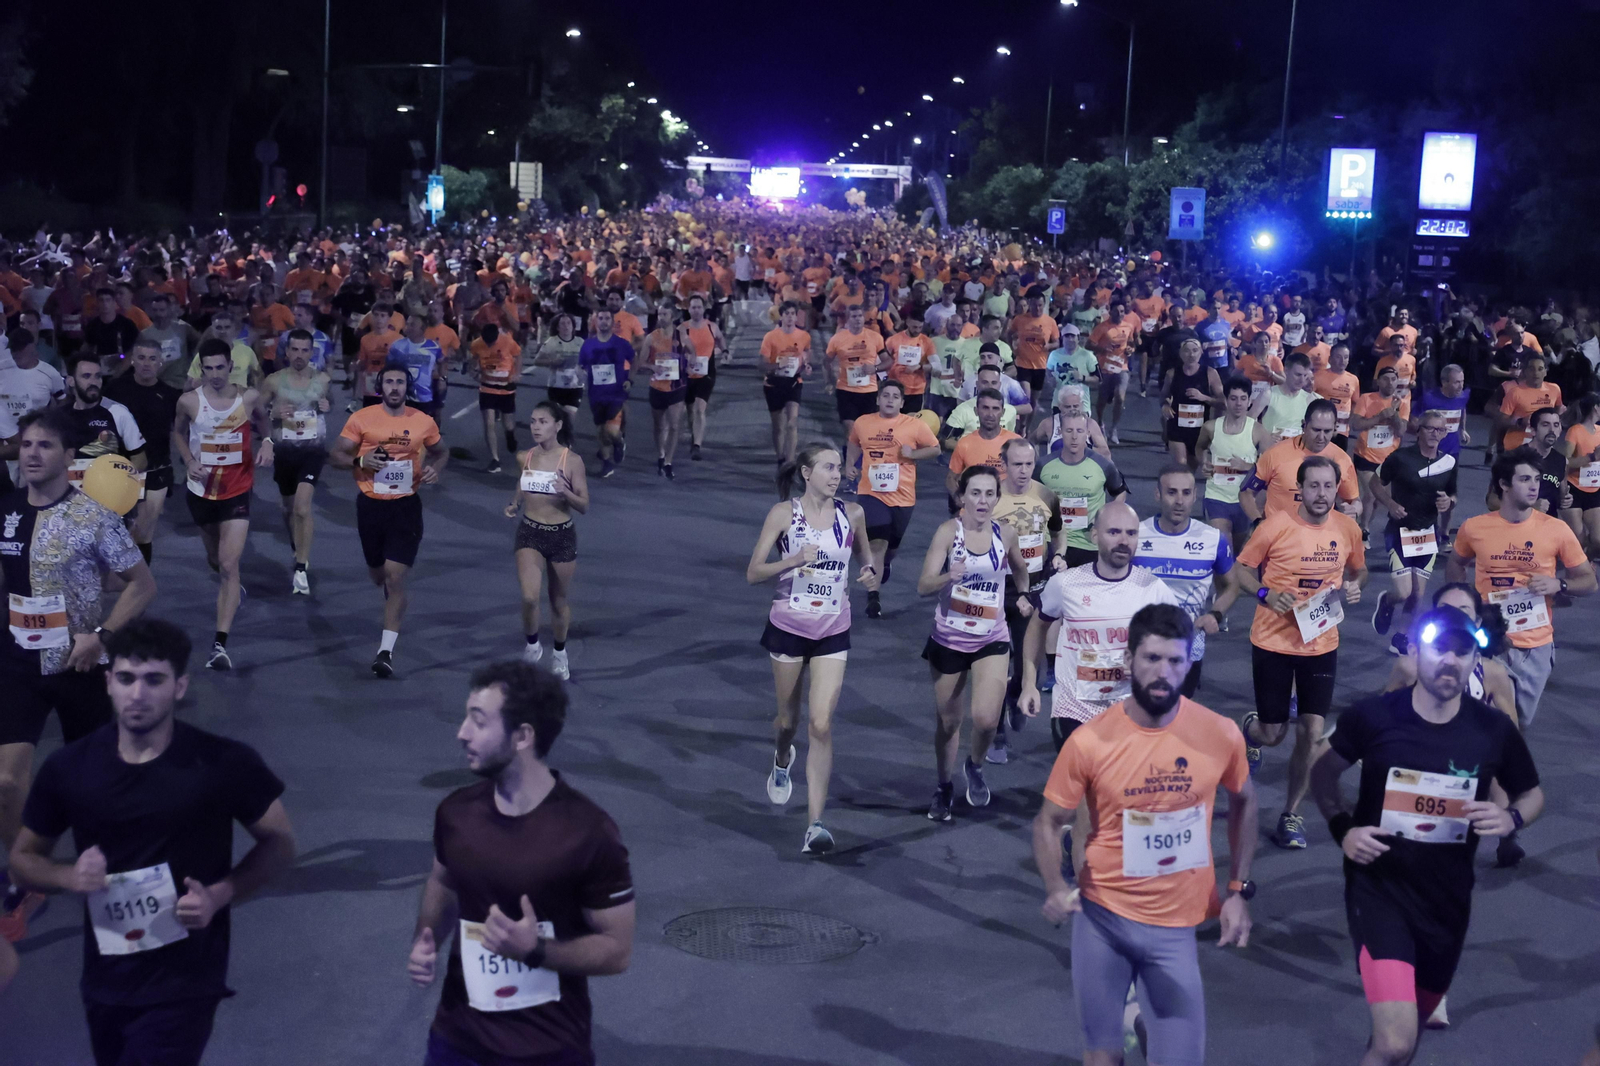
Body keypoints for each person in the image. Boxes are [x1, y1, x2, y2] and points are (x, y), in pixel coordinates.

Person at [8, 618, 295, 1065]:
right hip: (106, 978)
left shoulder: (222, 763)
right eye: (126, 679)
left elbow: (279, 843)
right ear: (108, 682)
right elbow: (23, 859)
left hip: (185, 980)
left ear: (179, 687)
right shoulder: (70, 769)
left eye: (154, 680)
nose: (137, 694)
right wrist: (68, 876)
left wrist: (220, 895)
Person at [1310, 605, 1542, 1066]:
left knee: (1402, 1041)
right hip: (1378, 889)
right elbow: (1322, 773)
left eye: (1462, 652)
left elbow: (1532, 793)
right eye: (1440, 649)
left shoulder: (1492, 729)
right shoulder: (1374, 716)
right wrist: (1343, 828)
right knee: (1396, 1039)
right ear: (1416, 652)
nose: (1450, 660)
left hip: (1447, 902)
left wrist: (1511, 819)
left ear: (1475, 660)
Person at [1032, 603, 1255, 1066]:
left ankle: (1138, 1017)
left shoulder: (1220, 734)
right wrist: (1054, 886)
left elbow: (1245, 801)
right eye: (1152, 658)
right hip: (1103, 921)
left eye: (1175, 660)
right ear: (1129, 659)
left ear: (1189, 664)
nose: (1163, 672)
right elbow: (1048, 822)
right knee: (1103, 1058)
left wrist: (1237, 889)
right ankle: (1132, 1018)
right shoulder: (1090, 741)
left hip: (1175, 930)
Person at [407, 661, 634, 1066]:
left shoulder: (589, 832)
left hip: (548, 1050)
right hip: (456, 1042)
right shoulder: (456, 813)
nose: (462, 732)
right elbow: (442, 882)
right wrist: (426, 938)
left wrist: (535, 950)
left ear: (523, 736)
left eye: (479, 722)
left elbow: (616, 950)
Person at [0, 408, 157, 944]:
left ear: (69, 457)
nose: (32, 453)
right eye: (26, 444)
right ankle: (28, 878)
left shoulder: (94, 517)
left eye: (45, 445)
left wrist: (102, 636)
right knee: (4, 783)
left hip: (80, 665)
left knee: (99, 787)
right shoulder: (6, 511)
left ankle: (122, 892)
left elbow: (141, 584)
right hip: (18, 663)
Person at [746, 443, 877, 853]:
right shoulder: (783, 514)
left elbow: (866, 557)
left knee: (821, 724)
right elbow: (753, 572)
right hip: (788, 626)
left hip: (833, 628)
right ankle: (782, 757)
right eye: (828, 468)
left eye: (839, 468)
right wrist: (792, 560)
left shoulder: (852, 514)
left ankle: (815, 825)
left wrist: (869, 571)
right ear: (806, 473)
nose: (837, 475)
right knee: (788, 721)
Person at [1235, 454, 1368, 850]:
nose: (1322, 494)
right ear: (1301, 489)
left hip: (1321, 643)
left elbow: (1359, 570)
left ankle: (1291, 814)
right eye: (1314, 486)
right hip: (1273, 641)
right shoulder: (1275, 526)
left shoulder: (1347, 528)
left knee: (1310, 732)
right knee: (1274, 734)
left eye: (1329, 486)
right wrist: (1265, 593)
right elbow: (1241, 569)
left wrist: (1355, 586)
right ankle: (1252, 729)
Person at [1446, 450, 1596, 728]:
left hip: (1534, 646)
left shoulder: (1556, 529)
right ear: (1504, 484)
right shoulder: (1475, 527)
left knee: (1518, 726)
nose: (1534, 486)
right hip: (1487, 640)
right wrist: (1463, 602)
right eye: (1525, 479)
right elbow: (1456, 562)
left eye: (1537, 479)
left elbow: (1589, 581)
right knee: (1482, 721)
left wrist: (1559, 584)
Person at [918, 465, 1030, 821]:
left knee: (985, 719)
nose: (982, 501)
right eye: (976, 493)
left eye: (989, 494)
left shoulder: (1006, 534)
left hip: (991, 637)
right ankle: (943, 786)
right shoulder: (947, 533)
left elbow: (1021, 570)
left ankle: (975, 766)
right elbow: (923, 585)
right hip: (949, 638)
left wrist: (1024, 595)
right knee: (949, 723)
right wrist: (947, 577)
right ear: (962, 497)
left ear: (997, 499)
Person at [330, 363, 450, 678]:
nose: (394, 387)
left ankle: (385, 652)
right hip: (370, 506)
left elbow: (441, 451)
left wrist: (435, 468)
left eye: (400, 382)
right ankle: (389, 593)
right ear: (379, 387)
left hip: (405, 507)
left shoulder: (422, 421)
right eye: (389, 382)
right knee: (378, 575)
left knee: (395, 578)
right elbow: (336, 455)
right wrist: (360, 460)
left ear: (407, 388)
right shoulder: (361, 419)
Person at [171, 340, 272, 670]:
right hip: (201, 492)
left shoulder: (248, 398)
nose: (215, 374)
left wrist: (267, 442)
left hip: (237, 490)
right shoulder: (189, 401)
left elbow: (263, 420)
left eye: (220, 367)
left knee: (229, 564)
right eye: (208, 368)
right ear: (201, 369)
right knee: (216, 560)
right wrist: (189, 461)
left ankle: (219, 645)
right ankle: (232, 587)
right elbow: (178, 433)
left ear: (231, 366)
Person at [1135, 465, 1241, 698]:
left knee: (1178, 712)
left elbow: (1232, 585)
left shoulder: (1213, 539)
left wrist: (1215, 614)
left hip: (1188, 647)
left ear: (1195, 496)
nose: (1179, 501)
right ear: (1157, 494)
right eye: (1171, 492)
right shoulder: (1136, 535)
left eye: (1186, 493)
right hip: (1142, 646)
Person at [988, 438, 1063, 764]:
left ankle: (1016, 693)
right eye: (1016, 464)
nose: (1023, 471)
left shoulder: (1046, 495)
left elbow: (1058, 531)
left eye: (1028, 464)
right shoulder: (989, 497)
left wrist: (1059, 554)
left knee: (1027, 664)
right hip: (994, 590)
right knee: (994, 665)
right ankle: (995, 734)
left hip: (1032, 591)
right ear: (1004, 464)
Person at [845, 380, 940, 620]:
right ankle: (873, 596)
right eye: (885, 395)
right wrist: (849, 464)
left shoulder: (914, 425)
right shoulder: (863, 422)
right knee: (877, 544)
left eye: (895, 396)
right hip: (871, 493)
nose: (889, 400)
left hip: (903, 496)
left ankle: (886, 563)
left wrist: (913, 454)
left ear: (902, 402)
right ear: (878, 399)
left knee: (891, 548)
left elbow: (935, 449)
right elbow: (854, 442)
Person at [505, 402, 587, 678]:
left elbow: (584, 505)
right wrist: (515, 502)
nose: (536, 427)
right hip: (530, 532)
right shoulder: (525, 456)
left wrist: (566, 493)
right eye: (532, 421)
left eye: (543, 421)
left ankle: (560, 654)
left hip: (562, 536)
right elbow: (523, 481)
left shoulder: (571, 461)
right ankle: (532, 647)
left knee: (558, 601)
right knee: (529, 598)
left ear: (557, 425)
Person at [1368, 410, 1458, 654]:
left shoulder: (1449, 463)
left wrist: (1448, 502)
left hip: (1427, 534)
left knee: (1417, 594)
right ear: (1419, 430)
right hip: (1399, 531)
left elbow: (1453, 494)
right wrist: (1390, 504)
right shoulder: (1400, 458)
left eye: (1440, 430)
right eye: (1430, 428)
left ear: (1445, 433)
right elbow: (1375, 482)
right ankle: (1387, 601)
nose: (1435, 433)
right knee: (1403, 592)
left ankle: (1401, 637)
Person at [256, 330, 332, 595]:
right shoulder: (274, 381)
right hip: (285, 452)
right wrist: (272, 412)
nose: (299, 355)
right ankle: (296, 545)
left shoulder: (322, 379)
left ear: (312, 352)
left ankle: (301, 567)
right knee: (289, 508)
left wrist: (326, 406)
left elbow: (327, 403)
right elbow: (256, 413)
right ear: (287, 352)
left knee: (302, 507)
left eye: (304, 350)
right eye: (295, 350)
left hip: (312, 451)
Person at [104, 338, 182, 564]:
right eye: (141, 358)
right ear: (133, 361)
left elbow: (183, 431)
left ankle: (140, 580)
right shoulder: (115, 390)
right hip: (119, 470)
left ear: (160, 362)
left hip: (156, 470)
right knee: (118, 531)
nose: (146, 363)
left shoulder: (170, 395)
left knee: (143, 533)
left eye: (152, 359)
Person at [1037, 411, 1128, 567]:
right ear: (1060, 432)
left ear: (1087, 433)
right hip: (1051, 543)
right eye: (1069, 430)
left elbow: (1120, 493)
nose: (1074, 437)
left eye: (1079, 431)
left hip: (1088, 545)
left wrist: (1105, 520)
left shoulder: (1103, 465)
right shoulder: (1043, 465)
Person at [1246, 399, 1361, 520]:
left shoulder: (1342, 460)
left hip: (1319, 531)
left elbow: (1355, 501)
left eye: (1327, 431)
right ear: (1304, 425)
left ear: (1335, 428)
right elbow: (1246, 492)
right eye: (1316, 430)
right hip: (1279, 530)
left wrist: (1354, 510)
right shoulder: (1275, 454)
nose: (1321, 437)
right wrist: (1257, 522)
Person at [1197, 377, 1268, 557]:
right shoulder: (1210, 428)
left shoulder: (1257, 430)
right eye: (1234, 398)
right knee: (1224, 552)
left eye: (1243, 399)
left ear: (1249, 401)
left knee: (1238, 556)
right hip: (1216, 497)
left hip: (1245, 501)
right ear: (1226, 401)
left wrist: (1248, 466)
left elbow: (1272, 466)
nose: (1238, 404)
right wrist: (1204, 462)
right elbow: (1200, 448)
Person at [1351, 366, 1412, 542]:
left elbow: (1401, 431)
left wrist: (1394, 414)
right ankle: (1364, 531)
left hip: (1388, 460)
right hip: (1365, 456)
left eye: (1393, 379)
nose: (1390, 383)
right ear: (1378, 381)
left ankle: (1362, 526)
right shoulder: (1366, 398)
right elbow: (1356, 425)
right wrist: (1380, 416)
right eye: (1385, 379)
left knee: (1378, 500)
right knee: (1371, 494)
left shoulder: (1403, 402)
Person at [577, 310, 633, 479]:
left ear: (613, 322)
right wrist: (580, 375)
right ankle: (607, 464)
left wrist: (630, 379)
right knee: (601, 430)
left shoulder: (621, 343)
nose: (603, 321)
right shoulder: (588, 345)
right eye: (600, 318)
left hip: (615, 393)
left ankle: (619, 442)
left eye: (607, 318)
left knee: (610, 430)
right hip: (595, 394)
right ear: (595, 322)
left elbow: (634, 359)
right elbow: (581, 365)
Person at [759, 301, 813, 464]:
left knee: (792, 423)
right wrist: (778, 365)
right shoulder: (770, 337)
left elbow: (807, 352)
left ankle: (790, 461)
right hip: (773, 384)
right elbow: (762, 365)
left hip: (794, 383)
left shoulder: (804, 336)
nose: (790, 317)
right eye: (786, 314)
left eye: (793, 314)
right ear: (781, 316)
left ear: (796, 317)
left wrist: (806, 365)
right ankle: (780, 458)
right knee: (778, 427)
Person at [825, 303, 888, 441]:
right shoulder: (837, 339)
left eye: (860, 316)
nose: (858, 319)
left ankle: (862, 454)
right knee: (850, 427)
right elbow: (826, 361)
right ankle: (850, 454)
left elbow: (888, 361)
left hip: (869, 391)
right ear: (848, 319)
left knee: (866, 430)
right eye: (854, 316)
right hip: (846, 390)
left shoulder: (875, 337)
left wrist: (875, 369)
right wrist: (830, 380)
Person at [1158, 338, 1223, 470]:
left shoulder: (1210, 373)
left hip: (1199, 430)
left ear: (1201, 353)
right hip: (1177, 427)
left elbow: (1223, 402)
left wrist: (1203, 397)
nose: (1191, 355)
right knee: (1181, 465)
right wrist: (1165, 405)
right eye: (1187, 351)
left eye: (1195, 350)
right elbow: (1163, 395)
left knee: (1192, 468)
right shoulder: (1172, 373)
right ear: (1181, 353)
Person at [468, 322, 523, 474]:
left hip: (506, 387)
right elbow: (473, 360)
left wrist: (517, 373)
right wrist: (474, 373)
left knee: (508, 422)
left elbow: (518, 355)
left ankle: (510, 434)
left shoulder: (507, 341)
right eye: (487, 342)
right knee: (489, 423)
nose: (489, 345)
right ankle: (495, 459)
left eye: (492, 342)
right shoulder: (476, 344)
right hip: (487, 387)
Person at [643, 302, 689, 478]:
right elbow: (641, 362)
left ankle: (668, 461)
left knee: (675, 426)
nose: (661, 318)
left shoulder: (681, 336)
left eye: (664, 314)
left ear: (673, 317)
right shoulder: (651, 338)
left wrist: (689, 360)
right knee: (659, 424)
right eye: (659, 314)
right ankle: (661, 454)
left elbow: (692, 353)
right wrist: (652, 367)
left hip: (676, 386)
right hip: (657, 387)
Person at [677, 294, 725, 461]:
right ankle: (694, 437)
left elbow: (720, 339)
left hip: (707, 374)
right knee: (690, 410)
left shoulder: (712, 326)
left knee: (699, 409)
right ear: (689, 309)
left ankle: (697, 445)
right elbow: (675, 348)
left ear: (704, 309)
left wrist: (724, 351)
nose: (696, 310)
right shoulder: (682, 329)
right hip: (687, 374)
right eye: (693, 307)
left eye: (699, 307)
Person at [1561, 394, 1600, 553]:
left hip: (1595, 490)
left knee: (1598, 539)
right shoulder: (1575, 431)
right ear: (1596, 408)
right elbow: (1565, 463)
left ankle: (1586, 562)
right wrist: (1592, 457)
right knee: (1579, 539)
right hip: (1574, 489)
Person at [1251, 351, 1316, 444]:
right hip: (1271, 450)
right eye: (1298, 375)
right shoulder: (1268, 395)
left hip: (1297, 450)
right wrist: (1264, 437)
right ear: (1286, 371)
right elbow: (1248, 423)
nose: (1302, 380)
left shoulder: (1310, 400)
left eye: (1305, 375)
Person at [883, 307, 938, 414]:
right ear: (907, 322)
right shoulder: (893, 340)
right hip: (895, 389)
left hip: (916, 391)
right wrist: (886, 379)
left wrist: (919, 367)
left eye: (920, 327)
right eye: (914, 327)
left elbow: (937, 367)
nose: (917, 330)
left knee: (911, 421)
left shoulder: (926, 342)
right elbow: (882, 362)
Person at [1313, 342, 1361, 450]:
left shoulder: (1353, 379)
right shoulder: (1317, 376)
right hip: (1322, 427)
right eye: (1338, 357)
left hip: (1342, 430)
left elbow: (1355, 402)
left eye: (1346, 357)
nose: (1342, 360)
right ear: (1330, 359)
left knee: (1339, 457)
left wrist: (1349, 421)